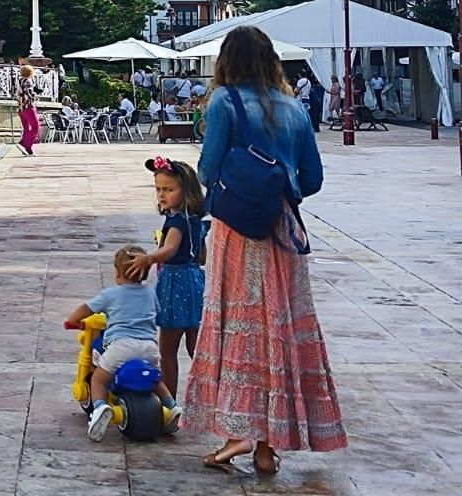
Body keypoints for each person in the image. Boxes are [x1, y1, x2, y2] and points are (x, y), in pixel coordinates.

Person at [183, 25, 345, 472]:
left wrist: (241, 187)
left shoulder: (223, 102)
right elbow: (312, 179)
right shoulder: (293, 107)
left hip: (239, 231)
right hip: (284, 230)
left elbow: (207, 169)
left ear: (227, 61)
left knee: (238, 322)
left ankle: (238, 432)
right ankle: (267, 445)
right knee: (279, 328)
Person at [65, 245, 181, 442]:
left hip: (121, 346)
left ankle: (100, 407)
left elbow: (85, 309)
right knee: (155, 379)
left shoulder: (111, 294)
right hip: (148, 347)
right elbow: (157, 312)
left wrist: (72, 321)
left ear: (117, 273)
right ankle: (171, 406)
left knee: (99, 379)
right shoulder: (150, 293)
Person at [125, 158, 205, 400]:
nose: (161, 195)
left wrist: (149, 258)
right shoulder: (195, 220)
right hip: (195, 280)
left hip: (175, 284)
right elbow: (201, 256)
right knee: (196, 345)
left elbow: (169, 250)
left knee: (167, 349)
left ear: (187, 191)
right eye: (158, 189)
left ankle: (168, 400)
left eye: (169, 190)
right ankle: (211, 393)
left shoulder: (176, 222)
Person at [16, 64, 42, 157]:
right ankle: (24, 144)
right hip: (28, 106)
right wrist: (36, 95)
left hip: (21, 107)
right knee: (36, 126)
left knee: (26, 128)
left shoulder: (19, 81)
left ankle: (28, 149)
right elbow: (30, 94)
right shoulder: (28, 81)